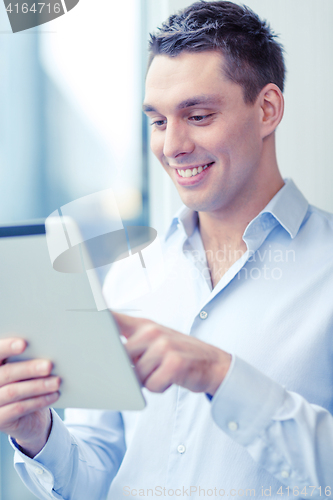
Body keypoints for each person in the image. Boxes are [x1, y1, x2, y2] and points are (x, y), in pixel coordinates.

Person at [1, 1, 333, 498]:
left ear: (267, 109)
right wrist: (37, 433)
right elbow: (98, 474)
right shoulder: (132, 274)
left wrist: (218, 373)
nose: (172, 146)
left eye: (198, 116)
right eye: (157, 121)